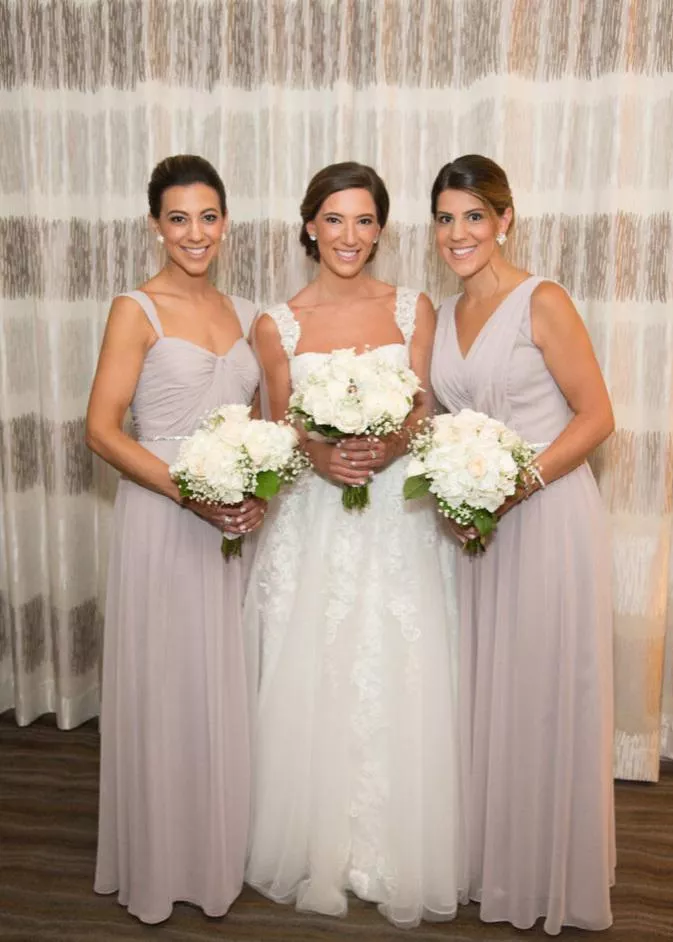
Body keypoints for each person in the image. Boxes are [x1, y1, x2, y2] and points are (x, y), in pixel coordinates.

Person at [244, 161, 459, 929]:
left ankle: (396, 842)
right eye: (334, 219)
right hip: (315, 524)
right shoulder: (278, 323)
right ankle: (319, 842)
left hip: (395, 525)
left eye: (364, 221)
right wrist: (321, 453)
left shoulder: (412, 307)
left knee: (398, 669)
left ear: (380, 229)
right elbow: (276, 428)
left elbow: (424, 410)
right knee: (320, 668)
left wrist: (388, 447)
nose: (349, 236)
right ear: (309, 225)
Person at [429, 154, 615, 935]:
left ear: (505, 220)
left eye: (474, 215)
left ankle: (547, 870)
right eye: (445, 218)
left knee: (541, 693)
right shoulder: (443, 316)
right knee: (488, 690)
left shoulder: (542, 300)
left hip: (544, 518)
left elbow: (596, 416)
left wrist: (515, 485)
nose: (458, 233)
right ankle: (494, 858)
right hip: (476, 529)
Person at [87, 155, 264, 923]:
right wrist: (187, 491)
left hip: (228, 522)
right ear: (156, 224)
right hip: (163, 519)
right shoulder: (138, 309)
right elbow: (98, 430)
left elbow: (255, 426)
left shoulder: (243, 311)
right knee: (165, 686)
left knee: (218, 683)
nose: (195, 233)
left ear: (226, 223)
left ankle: (214, 845)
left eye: (209, 216)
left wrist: (254, 489)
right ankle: (160, 861)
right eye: (179, 218)